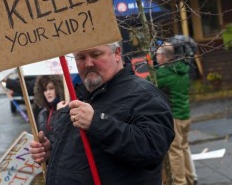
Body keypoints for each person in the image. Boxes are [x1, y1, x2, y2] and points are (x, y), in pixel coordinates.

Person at [29, 42, 175, 184]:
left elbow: (152, 148)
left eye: (96, 54)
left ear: (117, 54)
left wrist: (97, 122)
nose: (88, 63)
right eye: (81, 58)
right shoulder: (78, 99)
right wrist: (51, 152)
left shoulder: (144, 95)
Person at [154, 42, 196, 185]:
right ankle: (190, 178)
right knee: (183, 147)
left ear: (164, 57)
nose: (156, 56)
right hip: (185, 114)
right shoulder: (183, 69)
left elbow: (148, 84)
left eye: (158, 54)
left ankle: (180, 182)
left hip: (175, 117)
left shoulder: (163, 73)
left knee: (175, 151)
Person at [34, 75, 68, 140]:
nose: (48, 92)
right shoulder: (42, 113)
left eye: (51, 88)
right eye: (45, 90)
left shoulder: (67, 108)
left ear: (58, 89)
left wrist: (60, 112)